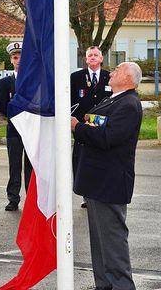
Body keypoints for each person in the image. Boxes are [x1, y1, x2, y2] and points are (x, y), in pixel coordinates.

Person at [71, 62, 143, 290]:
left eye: (118, 70)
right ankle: (104, 285)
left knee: (112, 243)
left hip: (109, 183)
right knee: (100, 243)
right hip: (97, 182)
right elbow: (97, 125)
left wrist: (77, 128)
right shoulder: (113, 99)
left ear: (130, 78)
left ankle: (122, 286)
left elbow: (108, 137)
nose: (111, 73)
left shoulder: (129, 104)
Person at [70, 46, 112, 208]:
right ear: (86, 59)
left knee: (101, 159)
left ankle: (100, 191)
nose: (93, 57)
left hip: (102, 126)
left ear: (102, 58)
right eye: (90, 55)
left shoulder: (110, 77)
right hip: (81, 126)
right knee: (82, 159)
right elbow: (70, 100)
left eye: (96, 55)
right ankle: (86, 195)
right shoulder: (76, 77)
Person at [0, 42, 32, 211]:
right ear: (11, 60)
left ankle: (32, 199)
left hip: (32, 130)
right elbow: (2, 106)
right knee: (15, 166)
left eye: (21, 57)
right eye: (15, 57)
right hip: (14, 130)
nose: (19, 60)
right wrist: (16, 118)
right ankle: (13, 198)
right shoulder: (5, 82)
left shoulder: (33, 80)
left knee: (31, 166)